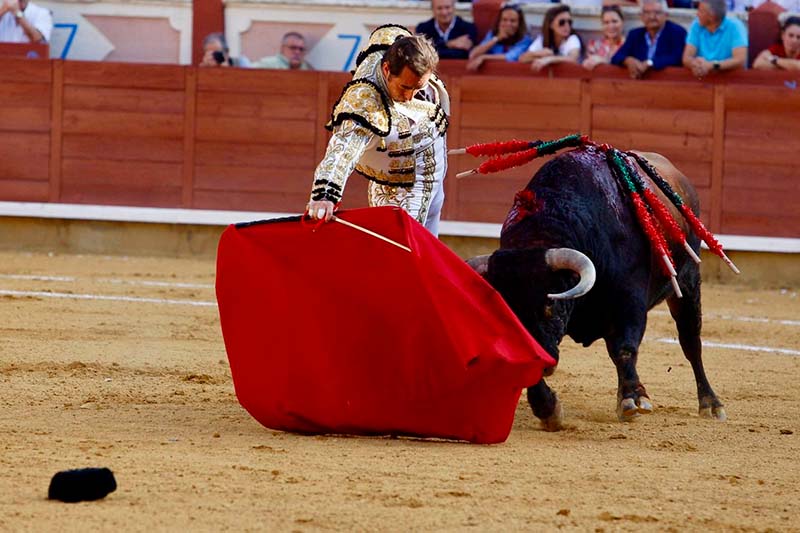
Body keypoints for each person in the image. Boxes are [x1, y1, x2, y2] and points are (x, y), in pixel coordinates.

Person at [307, 26, 450, 236]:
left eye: (418, 88)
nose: (410, 97)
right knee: (401, 246)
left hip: (434, 165)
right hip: (400, 181)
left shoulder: (395, 42)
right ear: (386, 69)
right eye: (404, 87)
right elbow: (342, 149)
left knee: (425, 244)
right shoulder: (364, 101)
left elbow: (393, 35)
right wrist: (324, 195)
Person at [611, 0, 687, 78]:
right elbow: (616, 57)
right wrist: (628, 60)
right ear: (641, 16)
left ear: (666, 15)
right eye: (647, 13)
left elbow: (677, 58)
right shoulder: (635, 34)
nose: (652, 17)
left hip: (668, 81)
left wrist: (650, 63)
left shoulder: (677, 32)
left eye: (657, 12)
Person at [682, 0, 748, 77]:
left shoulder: (735, 26)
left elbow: (740, 60)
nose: (697, 14)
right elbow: (686, 58)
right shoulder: (696, 24)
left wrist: (712, 65)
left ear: (711, 16)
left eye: (701, 11)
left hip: (731, 78)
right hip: (702, 76)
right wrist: (695, 64)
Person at [466, 3, 533, 71]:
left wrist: (484, 57)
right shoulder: (492, 35)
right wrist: (497, 38)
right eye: (504, 20)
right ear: (499, 21)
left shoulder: (525, 39)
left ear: (519, 23)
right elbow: (473, 54)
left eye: (513, 21)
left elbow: (510, 57)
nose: (508, 24)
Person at [520, 4, 584, 71]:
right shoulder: (543, 39)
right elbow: (522, 58)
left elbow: (573, 59)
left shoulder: (572, 39)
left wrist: (550, 59)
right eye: (562, 22)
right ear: (551, 25)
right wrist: (539, 54)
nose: (567, 25)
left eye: (569, 22)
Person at [583, 5, 625, 70]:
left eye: (614, 21)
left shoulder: (630, 46)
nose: (611, 26)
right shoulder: (594, 45)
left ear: (622, 22)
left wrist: (603, 60)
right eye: (606, 22)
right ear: (602, 25)